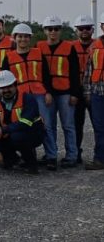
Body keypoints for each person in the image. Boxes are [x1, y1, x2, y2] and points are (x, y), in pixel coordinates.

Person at [1, 23, 54, 169]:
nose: (23, 39)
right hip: (20, 97)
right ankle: (29, 158)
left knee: (46, 125)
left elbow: (46, 75)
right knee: (23, 127)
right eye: (20, 36)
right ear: (15, 38)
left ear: (30, 38)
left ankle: (51, 157)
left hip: (39, 93)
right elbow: (4, 78)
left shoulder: (38, 53)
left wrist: (48, 91)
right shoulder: (9, 57)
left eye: (26, 36)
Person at [0, 70, 44, 174]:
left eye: (9, 87)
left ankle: (31, 164)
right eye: (2, 88)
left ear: (15, 85)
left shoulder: (27, 99)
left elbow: (25, 123)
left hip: (32, 133)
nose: (6, 90)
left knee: (17, 137)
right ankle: (11, 159)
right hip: (10, 134)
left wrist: (3, 130)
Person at [37, 16, 80, 168]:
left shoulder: (69, 47)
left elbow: (75, 72)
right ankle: (51, 154)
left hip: (65, 92)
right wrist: (46, 91)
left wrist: (75, 93)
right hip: (47, 93)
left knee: (68, 125)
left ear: (60, 31)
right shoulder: (39, 47)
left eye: (56, 29)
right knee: (48, 126)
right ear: (45, 31)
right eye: (50, 29)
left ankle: (72, 156)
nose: (53, 32)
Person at [72, 14, 96, 164]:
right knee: (76, 125)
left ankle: (100, 154)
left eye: (87, 28)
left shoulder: (99, 45)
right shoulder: (70, 47)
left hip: (95, 91)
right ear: (76, 31)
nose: (84, 31)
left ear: (92, 30)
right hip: (76, 90)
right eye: (81, 28)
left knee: (98, 124)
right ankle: (76, 153)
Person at [82, 14, 104, 170]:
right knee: (99, 127)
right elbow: (89, 71)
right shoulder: (95, 46)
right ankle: (100, 159)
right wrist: (88, 92)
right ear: (102, 27)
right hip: (97, 92)